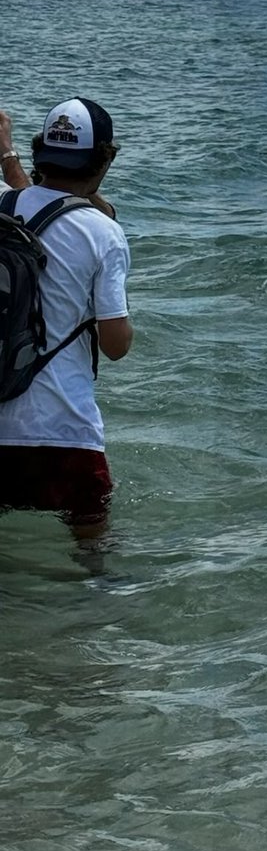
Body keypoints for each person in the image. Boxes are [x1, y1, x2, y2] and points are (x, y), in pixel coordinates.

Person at [0, 99, 133, 538]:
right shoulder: (103, 233)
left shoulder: (4, 206)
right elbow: (115, 346)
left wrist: (8, 152)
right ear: (105, 160)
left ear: (40, 154)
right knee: (94, 562)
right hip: (64, 431)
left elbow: (32, 201)